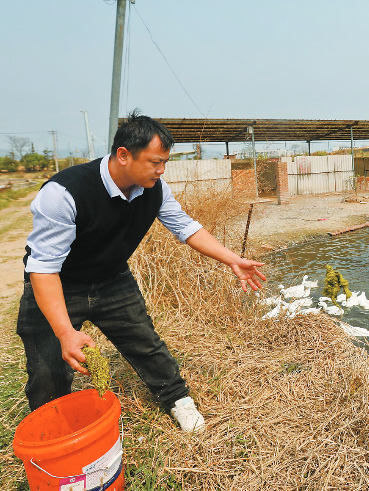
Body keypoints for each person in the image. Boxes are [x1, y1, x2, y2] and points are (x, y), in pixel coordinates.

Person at [17, 111, 265, 432]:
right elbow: (43, 268)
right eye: (155, 162)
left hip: (111, 279)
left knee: (146, 344)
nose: (161, 170)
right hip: (57, 284)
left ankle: (178, 400)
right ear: (123, 155)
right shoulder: (64, 193)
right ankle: (53, 426)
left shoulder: (155, 188)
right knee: (47, 369)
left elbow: (185, 227)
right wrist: (65, 332)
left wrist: (231, 259)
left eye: (165, 163)